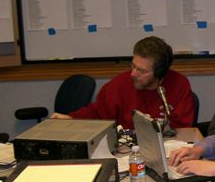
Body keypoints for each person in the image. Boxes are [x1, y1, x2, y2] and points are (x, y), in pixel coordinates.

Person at [51, 36, 195, 130]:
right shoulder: (120, 83)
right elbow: (97, 113)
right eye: (133, 66)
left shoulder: (179, 84)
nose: (133, 74)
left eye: (142, 71)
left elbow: (183, 128)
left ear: (160, 73)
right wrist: (71, 119)